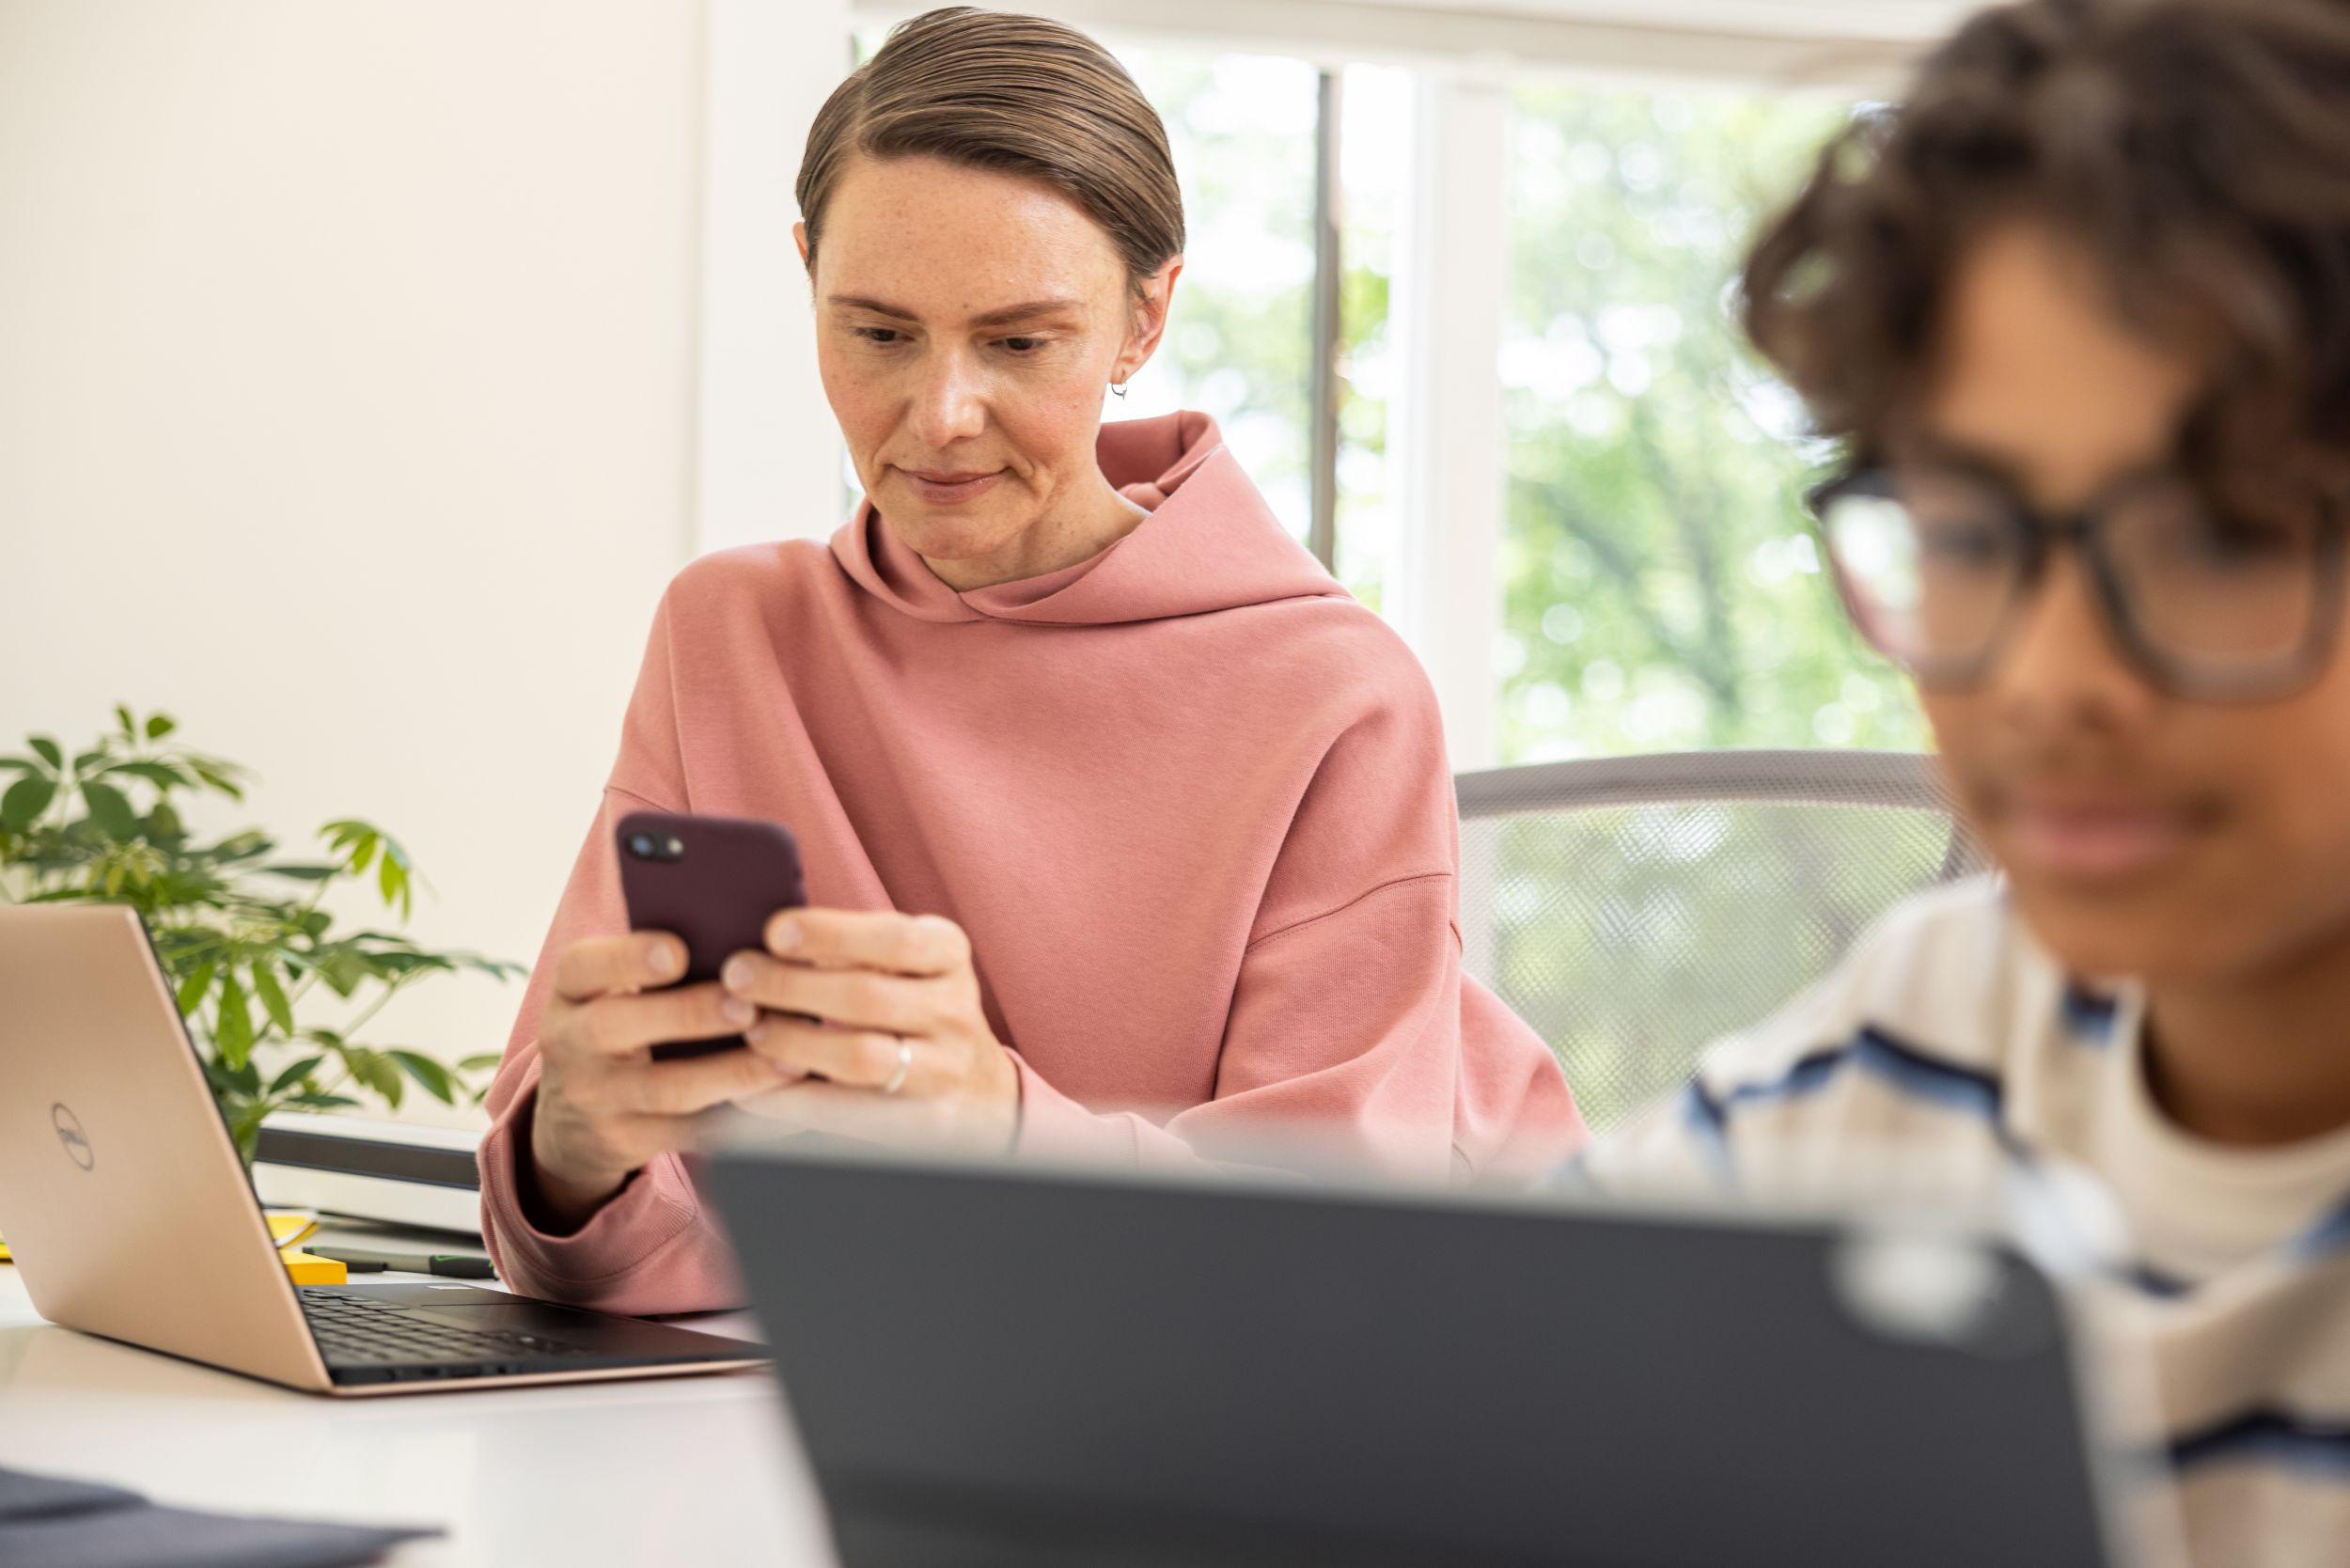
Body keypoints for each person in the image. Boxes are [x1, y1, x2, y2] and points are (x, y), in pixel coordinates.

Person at [476, 6, 1583, 1316]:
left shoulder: (1336, 695)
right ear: (807, 282)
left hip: (1427, 1388)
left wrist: (991, 1119)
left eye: (1019, 341)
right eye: (878, 333)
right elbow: (649, 1248)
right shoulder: (728, 635)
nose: (939, 417)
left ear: (1143, 319)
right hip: (909, 1365)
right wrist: (575, 1154)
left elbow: (1316, 1270)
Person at [1579, 0, 2350, 1560]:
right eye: (1972, 532)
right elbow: (1450, 1399)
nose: (2053, 678)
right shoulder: (1929, 1035)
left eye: (2219, 537)